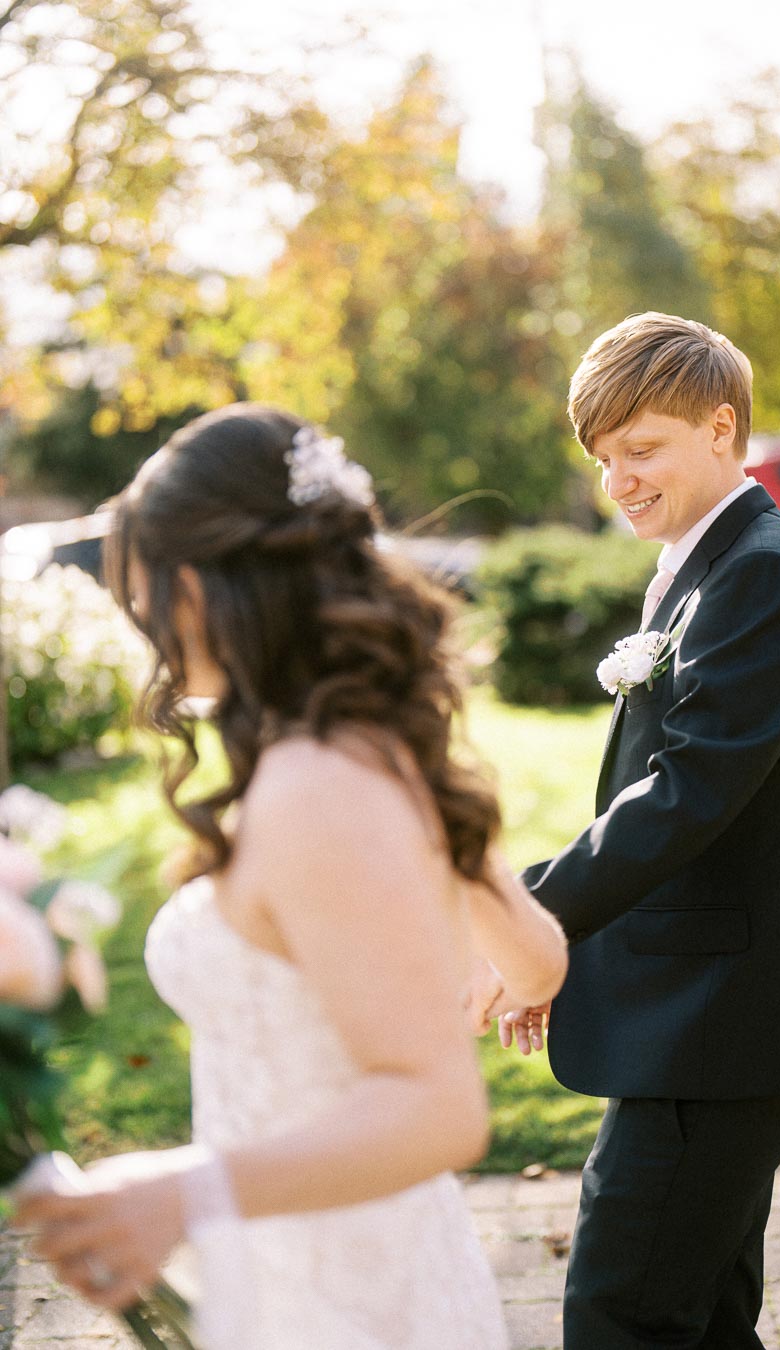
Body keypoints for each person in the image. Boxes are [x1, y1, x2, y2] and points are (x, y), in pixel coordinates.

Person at [14, 403, 568, 1349]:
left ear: (204, 584)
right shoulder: (377, 743)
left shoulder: (321, 784)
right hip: (352, 1256)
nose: (141, 617)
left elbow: (440, 1110)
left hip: (344, 1300)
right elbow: (541, 959)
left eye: (146, 586)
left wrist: (177, 1192)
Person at [500, 313, 780, 1349]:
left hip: (721, 1024)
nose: (620, 479)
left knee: (620, 1315)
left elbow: (688, 793)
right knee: (699, 1321)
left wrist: (534, 921)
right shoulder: (712, 566)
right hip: (709, 1018)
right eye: (605, 458)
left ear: (720, 425)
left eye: (643, 449)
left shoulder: (763, 572)